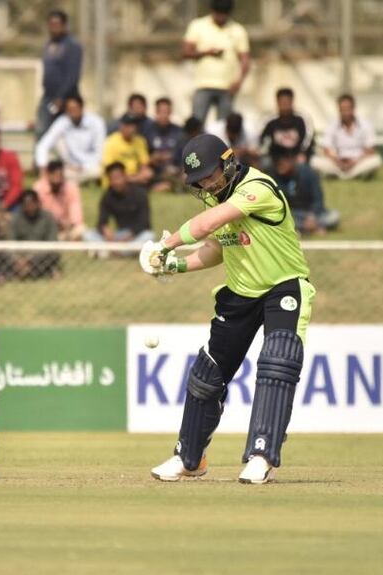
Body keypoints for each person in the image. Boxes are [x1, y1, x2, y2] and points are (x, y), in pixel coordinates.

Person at [139, 133, 314, 484]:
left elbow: (207, 225)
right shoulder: (214, 199)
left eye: (209, 174)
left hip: (283, 285)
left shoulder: (258, 187)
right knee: (207, 375)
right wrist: (172, 265)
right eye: (199, 180)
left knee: (277, 363)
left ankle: (261, 456)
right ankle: (189, 458)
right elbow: (218, 248)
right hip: (241, 292)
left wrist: (165, 244)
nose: (206, 183)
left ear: (228, 161)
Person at [183, 0, 250, 123]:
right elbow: (186, 52)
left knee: (223, 127)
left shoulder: (237, 30)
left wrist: (239, 82)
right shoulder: (198, 25)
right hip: (203, 84)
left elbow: (245, 60)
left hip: (227, 87)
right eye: (218, 14)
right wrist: (206, 53)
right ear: (212, 11)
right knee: (197, 124)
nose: (220, 18)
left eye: (224, 14)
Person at [35, 94, 105, 185]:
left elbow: (100, 150)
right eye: (70, 110)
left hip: (92, 166)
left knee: (98, 171)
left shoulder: (96, 122)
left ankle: (81, 180)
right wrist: (43, 170)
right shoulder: (62, 122)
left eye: (75, 109)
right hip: (70, 167)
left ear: (82, 108)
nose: (73, 112)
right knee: (58, 142)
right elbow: (43, 145)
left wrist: (86, 166)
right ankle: (79, 180)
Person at [311, 94, 382, 180]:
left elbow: (370, 149)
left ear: (353, 109)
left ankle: (342, 176)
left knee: (376, 160)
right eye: (342, 110)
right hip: (337, 163)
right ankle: (350, 176)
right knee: (314, 161)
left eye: (347, 109)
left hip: (358, 162)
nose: (345, 113)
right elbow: (326, 149)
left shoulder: (365, 125)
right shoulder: (332, 125)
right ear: (339, 110)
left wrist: (354, 162)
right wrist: (338, 162)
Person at [268, 150, 339, 235]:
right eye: (278, 163)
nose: (280, 166)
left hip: (311, 212)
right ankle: (311, 228)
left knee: (334, 216)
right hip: (291, 214)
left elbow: (318, 199)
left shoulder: (308, 173)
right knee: (275, 218)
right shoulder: (273, 176)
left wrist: (312, 216)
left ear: (292, 161)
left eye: (283, 162)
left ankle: (303, 228)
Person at [37, 9, 83, 138]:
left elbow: (73, 75)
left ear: (64, 25)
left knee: (68, 133)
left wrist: (61, 98)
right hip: (48, 96)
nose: (53, 28)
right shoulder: (49, 44)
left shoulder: (72, 45)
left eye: (56, 25)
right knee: (42, 131)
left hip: (66, 98)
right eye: (51, 25)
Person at [85, 162, 153, 248]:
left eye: (118, 178)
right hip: (118, 235)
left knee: (148, 236)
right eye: (112, 179)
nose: (116, 182)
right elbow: (101, 221)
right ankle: (117, 250)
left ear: (125, 176)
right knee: (88, 234)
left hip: (136, 236)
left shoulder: (140, 193)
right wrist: (105, 230)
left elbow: (144, 223)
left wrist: (128, 237)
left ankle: (111, 251)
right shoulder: (108, 196)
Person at [11, 190, 61, 279]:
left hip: (41, 254)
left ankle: (27, 272)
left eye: (32, 204)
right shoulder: (15, 219)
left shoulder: (48, 217)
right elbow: (11, 242)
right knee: (3, 255)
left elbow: (52, 242)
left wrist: (30, 259)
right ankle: (43, 272)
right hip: (21, 255)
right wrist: (19, 258)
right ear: (22, 206)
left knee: (53, 254)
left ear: (38, 203)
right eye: (26, 205)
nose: (30, 207)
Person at [259, 87, 314, 168]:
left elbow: (308, 139)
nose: (285, 105)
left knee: (302, 164)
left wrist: (302, 153)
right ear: (277, 102)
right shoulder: (269, 120)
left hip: (297, 157)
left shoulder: (302, 119)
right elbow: (262, 140)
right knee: (264, 163)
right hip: (275, 158)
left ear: (292, 102)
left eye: (287, 102)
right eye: (282, 102)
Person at [33, 159, 85, 240]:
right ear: (48, 174)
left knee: (81, 230)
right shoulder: (38, 188)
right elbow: (37, 214)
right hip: (46, 226)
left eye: (59, 175)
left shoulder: (71, 188)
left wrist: (70, 224)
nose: (57, 178)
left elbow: (76, 213)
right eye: (54, 174)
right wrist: (55, 223)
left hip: (67, 226)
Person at [100, 113, 152, 187]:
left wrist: (143, 173)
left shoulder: (140, 141)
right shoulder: (111, 142)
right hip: (116, 179)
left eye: (133, 126)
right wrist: (136, 178)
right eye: (127, 125)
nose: (130, 129)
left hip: (134, 177)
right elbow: (110, 170)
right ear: (121, 126)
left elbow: (144, 163)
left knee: (149, 173)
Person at [143, 97, 184, 192]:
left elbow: (183, 154)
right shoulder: (148, 131)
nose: (164, 115)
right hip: (155, 171)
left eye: (167, 112)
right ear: (156, 112)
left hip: (175, 170)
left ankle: (171, 186)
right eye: (162, 112)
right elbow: (143, 157)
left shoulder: (178, 131)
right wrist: (153, 158)